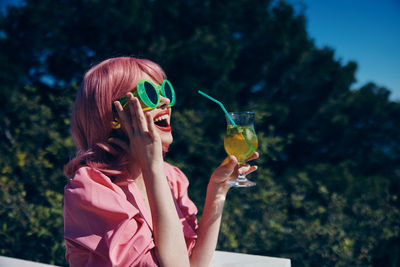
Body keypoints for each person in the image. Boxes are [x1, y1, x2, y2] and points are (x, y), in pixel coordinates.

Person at [63, 56, 258, 267]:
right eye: (148, 94)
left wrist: (217, 191)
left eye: (165, 92)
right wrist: (152, 166)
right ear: (115, 117)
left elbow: (193, 264)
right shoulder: (90, 189)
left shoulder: (171, 178)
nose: (165, 102)